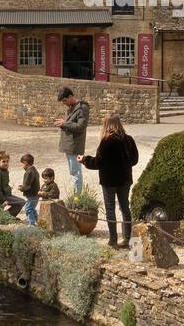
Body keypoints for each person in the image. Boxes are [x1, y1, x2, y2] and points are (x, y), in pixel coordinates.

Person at [81, 115, 139, 248]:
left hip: (109, 180)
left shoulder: (106, 141)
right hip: (125, 179)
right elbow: (134, 160)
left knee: (110, 208)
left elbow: (98, 163)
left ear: (106, 125)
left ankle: (113, 240)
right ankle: (128, 239)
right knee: (125, 207)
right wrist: (123, 164)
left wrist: (84, 159)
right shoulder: (129, 139)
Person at [53, 87, 90, 196]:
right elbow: (71, 123)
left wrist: (64, 124)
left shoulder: (82, 107)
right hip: (70, 145)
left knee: (76, 172)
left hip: (75, 145)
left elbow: (81, 126)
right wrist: (63, 123)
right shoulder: (71, 107)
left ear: (70, 96)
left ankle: (77, 197)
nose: (64, 103)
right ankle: (76, 195)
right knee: (73, 172)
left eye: (64, 100)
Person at [0, 150, 24, 216]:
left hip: (6, 194)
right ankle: (7, 217)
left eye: (7, 161)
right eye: (3, 161)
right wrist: (3, 201)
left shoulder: (5, 171)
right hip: (0, 197)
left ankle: (9, 216)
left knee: (22, 202)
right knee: (20, 202)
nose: (6, 163)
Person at [17, 153, 41, 225]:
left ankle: (31, 223)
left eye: (22, 164)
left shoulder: (29, 172)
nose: (22, 166)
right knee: (32, 208)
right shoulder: (34, 169)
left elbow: (28, 186)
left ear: (25, 163)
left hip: (32, 194)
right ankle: (38, 221)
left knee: (28, 209)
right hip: (35, 194)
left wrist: (21, 188)